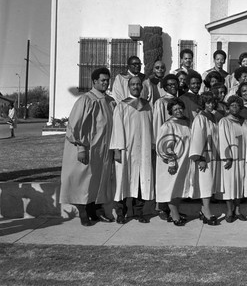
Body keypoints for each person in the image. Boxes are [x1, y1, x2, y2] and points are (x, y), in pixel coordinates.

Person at [60, 67, 116, 226]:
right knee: (83, 181)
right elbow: (74, 126)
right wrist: (81, 148)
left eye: (107, 80)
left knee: (97, 182)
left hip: (103, 151)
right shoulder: (86, 100)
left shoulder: (109, 101)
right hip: (88, 148)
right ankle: (83, 212)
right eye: (102, 80)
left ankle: (95, 211)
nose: (105, 83)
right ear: (94, 82)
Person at [110, 76, 155, 224]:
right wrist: (117, 149)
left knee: (142, 180)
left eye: (138, 84)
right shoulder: (122, 106)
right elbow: (116, 129)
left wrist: (153, 146)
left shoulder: (147, 105)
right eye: (133, 84)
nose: (136, 87)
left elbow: (153, 128)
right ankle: (121, 213)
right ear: (128, 87)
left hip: (144, 150)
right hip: (126, 150)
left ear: (142, 87)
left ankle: (138, 212)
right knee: (123, 180)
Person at [156, 98, 191, 226]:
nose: (178, 111)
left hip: (185, 161)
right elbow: (164, 145)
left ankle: (174, 212)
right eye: (175, 109)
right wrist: (171, 162)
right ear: (170, 111)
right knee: (172, 187)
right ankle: (175, 215)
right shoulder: (168, 125)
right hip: (174, 161)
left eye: (180, 108)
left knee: (180, 188)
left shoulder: (187, 122)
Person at [217, 95, 247, 222]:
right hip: (231, 158)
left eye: (237, 105)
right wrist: (227, 157)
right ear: (228, 107)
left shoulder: (246, 122)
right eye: (232, 105)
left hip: (243, 158)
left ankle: (237, 210)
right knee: (230, 186)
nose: (235, 107)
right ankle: (229, 211)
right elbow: (223, 140)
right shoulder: (224, 122)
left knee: (240, 185)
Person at [189, 92, 220, 226]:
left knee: (210, 183)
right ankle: (206, 210)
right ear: (203, 103)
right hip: (204, 156)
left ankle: (203, 209)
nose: (211, 105)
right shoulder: (200, 118)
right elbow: (197, 138)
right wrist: (199, 158)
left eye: (212, 102)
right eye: (207, 102)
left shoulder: (213, 117)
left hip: (213, 155)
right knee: (205, 183)